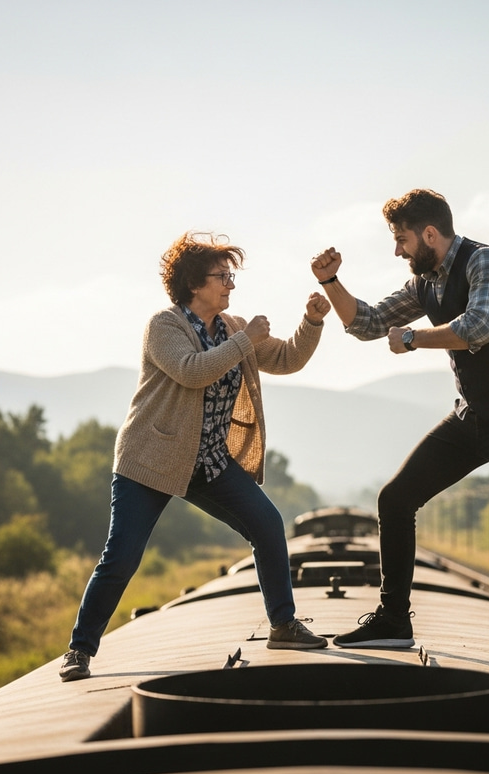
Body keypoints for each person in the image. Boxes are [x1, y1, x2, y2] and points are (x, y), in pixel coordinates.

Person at [310, 189, 489, 672]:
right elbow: (369, 323)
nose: (397, 251)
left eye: (401, 240)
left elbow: (478, 327)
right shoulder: (424, 282)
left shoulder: (488, 263)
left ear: (430, 234)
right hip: (471, 417)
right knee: (395, 499)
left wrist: (414, 339)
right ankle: (394, 621)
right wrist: (332, 281)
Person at [59, 231, 331, 682]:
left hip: (207, 462)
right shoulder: (164, 326)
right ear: (192, 283)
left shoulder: (231, 327)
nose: (230, 284)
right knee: (122, 556)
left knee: (267, 524)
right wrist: (246, 341)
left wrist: (311, 321)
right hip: (150, 460)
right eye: (221, 276)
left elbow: (287, 358)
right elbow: (192, 372)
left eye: (231, 276)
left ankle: (283, 625)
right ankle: (79, 650)